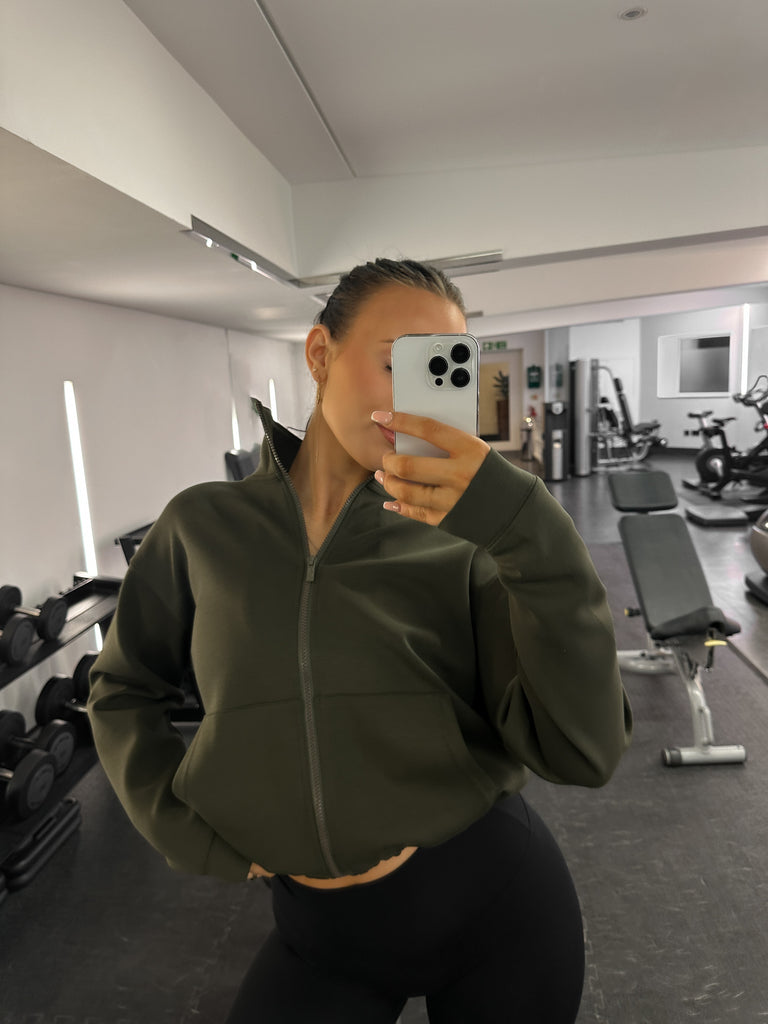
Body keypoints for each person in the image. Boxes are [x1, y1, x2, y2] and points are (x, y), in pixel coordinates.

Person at [87, 258, 632, 1023]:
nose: (417, 399)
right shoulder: (201, 527)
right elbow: (123, 687)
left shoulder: (467, 541)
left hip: (494, 904)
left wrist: (530, 531)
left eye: (442, 370)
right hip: (321, 932)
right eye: (397, 363)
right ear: (320, 354)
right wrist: (186, 830)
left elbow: (584, 751)